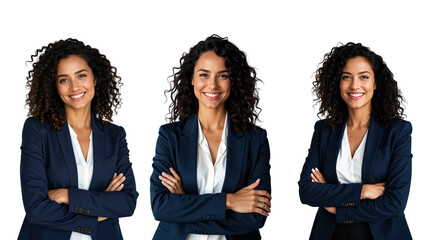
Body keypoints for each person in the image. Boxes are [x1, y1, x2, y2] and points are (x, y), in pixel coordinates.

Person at [150, 35, 271, 240]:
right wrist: (229, 201)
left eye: (222, 75)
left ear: (233, 81)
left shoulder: (255, 139)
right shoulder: (170, 137)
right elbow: (161, 207)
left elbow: (255, 215)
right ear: (192, 79)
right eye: (204, 75)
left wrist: (185, 205)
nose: (212, 85)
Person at [18, 38, 138, 240]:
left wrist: (67, 195)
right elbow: (36, 209)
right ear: (55, 86)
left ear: (95, 79)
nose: (74, 87)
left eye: (81, 76)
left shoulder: (114, 136)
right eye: (64, 79)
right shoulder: (38, 130)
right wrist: (99, 210)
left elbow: (126, 202)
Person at [299, 43, 412, 240]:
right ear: (337, 83)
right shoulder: (324, 130)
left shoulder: (397, 131)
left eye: (364, 77)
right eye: (346, 77)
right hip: (330, 234)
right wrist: (364, 190)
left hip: (382, 235)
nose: (354, 85)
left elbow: (395, 202)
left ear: (375, 83)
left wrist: (337, 208)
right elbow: (307, 191)